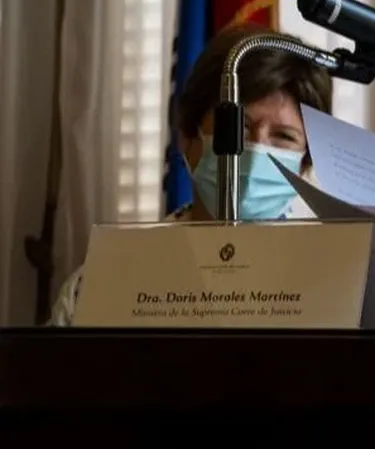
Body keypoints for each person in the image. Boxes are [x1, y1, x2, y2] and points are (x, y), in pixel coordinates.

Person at [49, 23, 333, 326]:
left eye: (283, 137)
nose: (255, 151)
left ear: (305, 163)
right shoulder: (103, 282)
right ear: (187, 136)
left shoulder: (335, 285)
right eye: (238, 127)